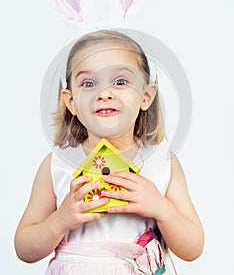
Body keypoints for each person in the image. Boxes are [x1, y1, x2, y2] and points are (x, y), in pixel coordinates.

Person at [14, 30, 204, 274]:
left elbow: (194, 247)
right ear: (71, 102)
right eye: (89, 83)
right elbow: (23, 248)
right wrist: (60, 219)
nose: (104, 93)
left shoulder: (162, 162)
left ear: (146, 96)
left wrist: (161, 208)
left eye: (121, 81)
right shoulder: (57, 165)